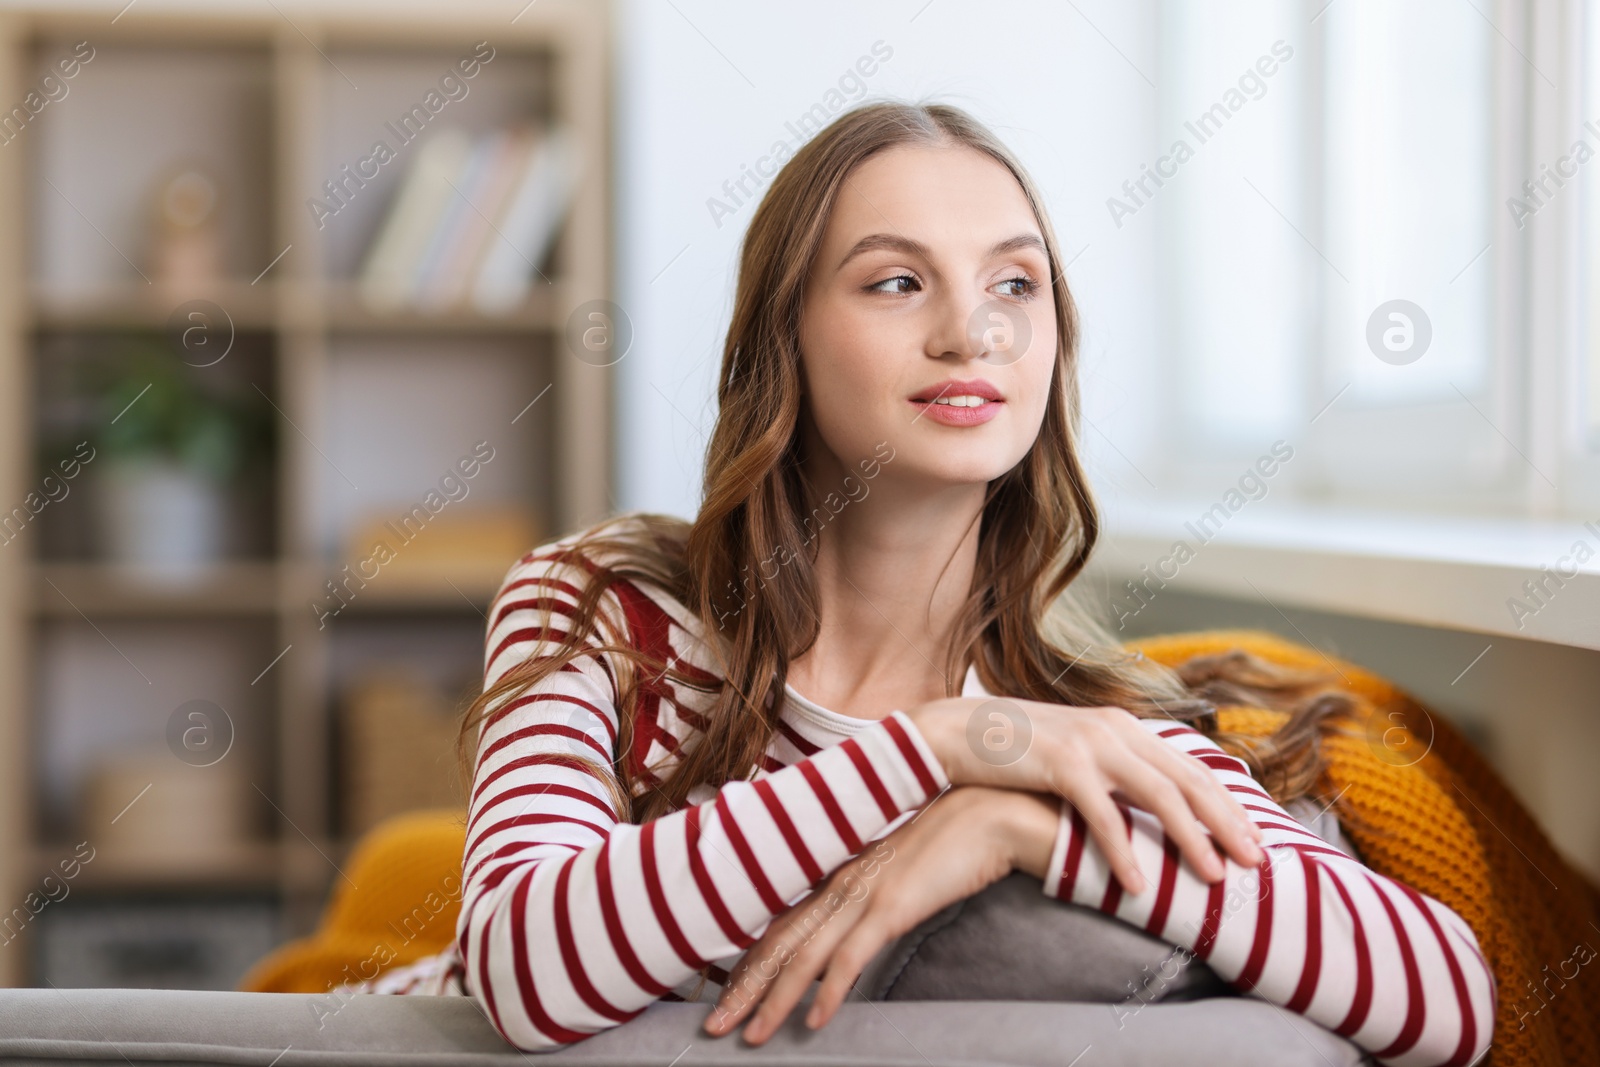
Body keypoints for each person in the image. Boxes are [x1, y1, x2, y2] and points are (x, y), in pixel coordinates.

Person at [360, 101, 1494, 1067]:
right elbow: (525, 965)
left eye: (1016, 282)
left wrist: (1019, 825)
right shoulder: (602, 600)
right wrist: (944, 744)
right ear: (782, 338)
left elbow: (1449, 998)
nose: (972, 330)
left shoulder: (1084, 739)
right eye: (897, 282)